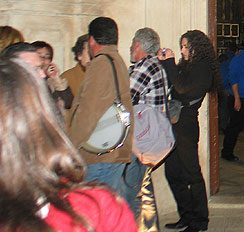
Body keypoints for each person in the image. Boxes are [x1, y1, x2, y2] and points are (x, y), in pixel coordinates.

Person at [0, 58, 136, 232]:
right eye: (35, 68)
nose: (42, 71)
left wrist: (57, 82)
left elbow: (73, 104)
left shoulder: (96, 208)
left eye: (44, 61)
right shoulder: (72, 75)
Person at [159, 30, 220, 232]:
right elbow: (174, 86)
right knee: (173, 172)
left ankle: (200, 221)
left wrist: (169, 63)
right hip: (175, 122)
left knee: (192, 173)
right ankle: (186, 215)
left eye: (186, 47)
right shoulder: (187, 66)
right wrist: (165, 64)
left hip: (186, 125)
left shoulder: (202, 68)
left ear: (197, 47)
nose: (183, 50)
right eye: (182, 46)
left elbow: (183, 88)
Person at [68, 17, 133, 189]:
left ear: (91, 40)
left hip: (99, 156)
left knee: (93, 211)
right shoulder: (116, 60)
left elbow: (88, 112)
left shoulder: (101, 64)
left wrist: (70, 147)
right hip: (114, 152)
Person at [120, 27, 169, 230]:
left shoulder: (144, 66)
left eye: (132, 43)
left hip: (142, 139)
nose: (130, 47)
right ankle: (149, 227)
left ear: (138, 45)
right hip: (151, 139)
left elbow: (123, 100)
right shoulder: (155, 65)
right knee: (143, 189)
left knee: (131, 192)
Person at [221, 34, 244, 162]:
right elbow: (233, 79)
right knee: (234, 127)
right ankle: (227, 152)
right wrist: (237, 98)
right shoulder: (238, 60)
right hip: (240, 98)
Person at [33, 40, 74, 114]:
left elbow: (68, 103)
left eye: (47, 57)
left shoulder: (50, 83)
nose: (43, 61)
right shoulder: (23, 80)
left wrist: (57, 81)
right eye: (39, 56)